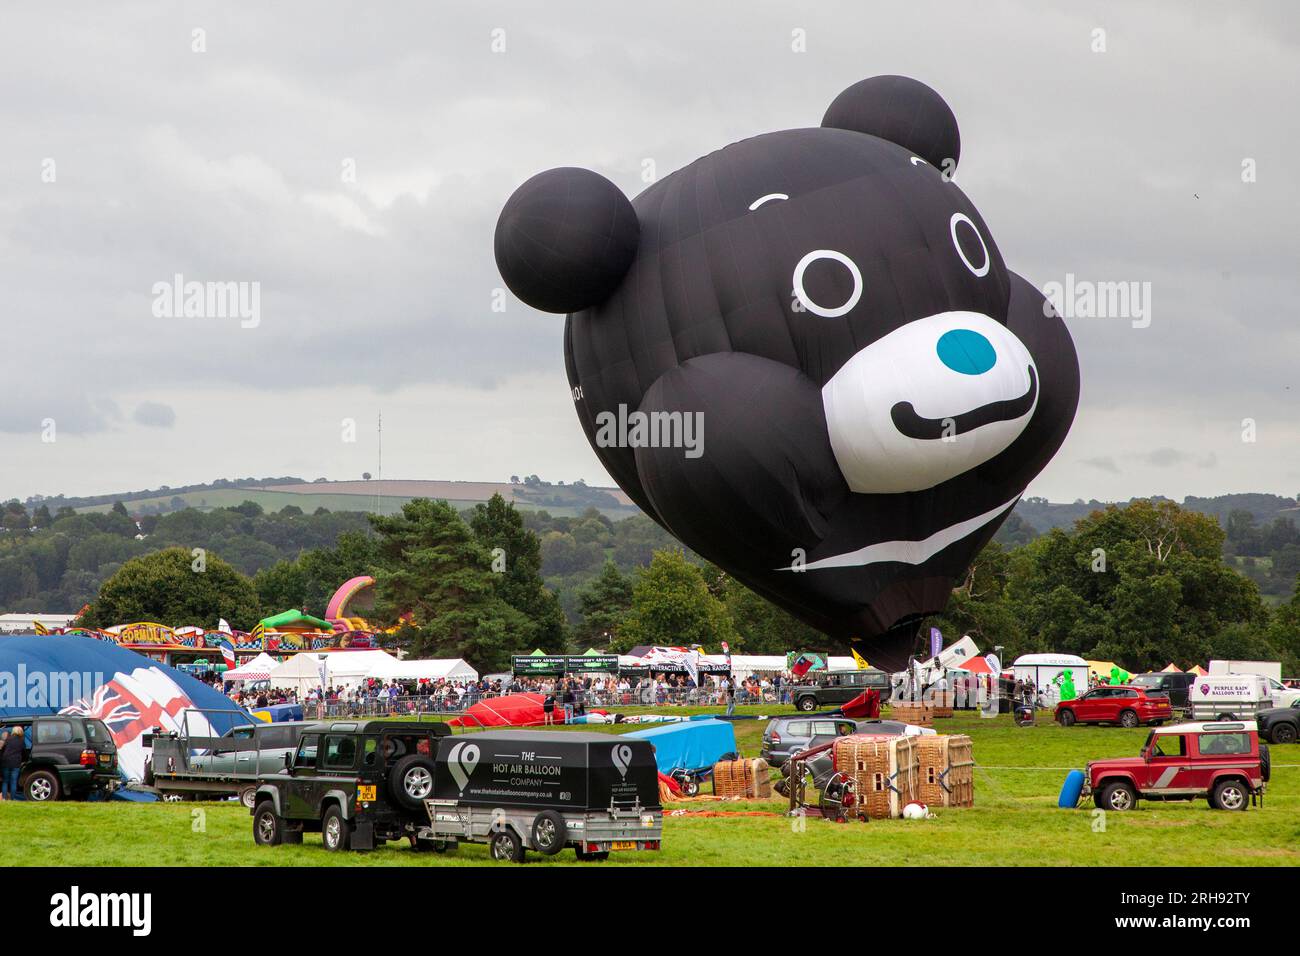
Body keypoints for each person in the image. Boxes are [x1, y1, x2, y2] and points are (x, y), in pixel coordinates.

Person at [1, 725, 26, 801]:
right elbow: (24, 752)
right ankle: (12, 799)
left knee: (5, 781)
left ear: (13, 731)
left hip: (6, 762)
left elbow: (3, 750)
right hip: (16, 763)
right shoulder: (22, 741)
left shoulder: (8, 739)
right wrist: (23, 761)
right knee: (13, 782)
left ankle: (4, 798)